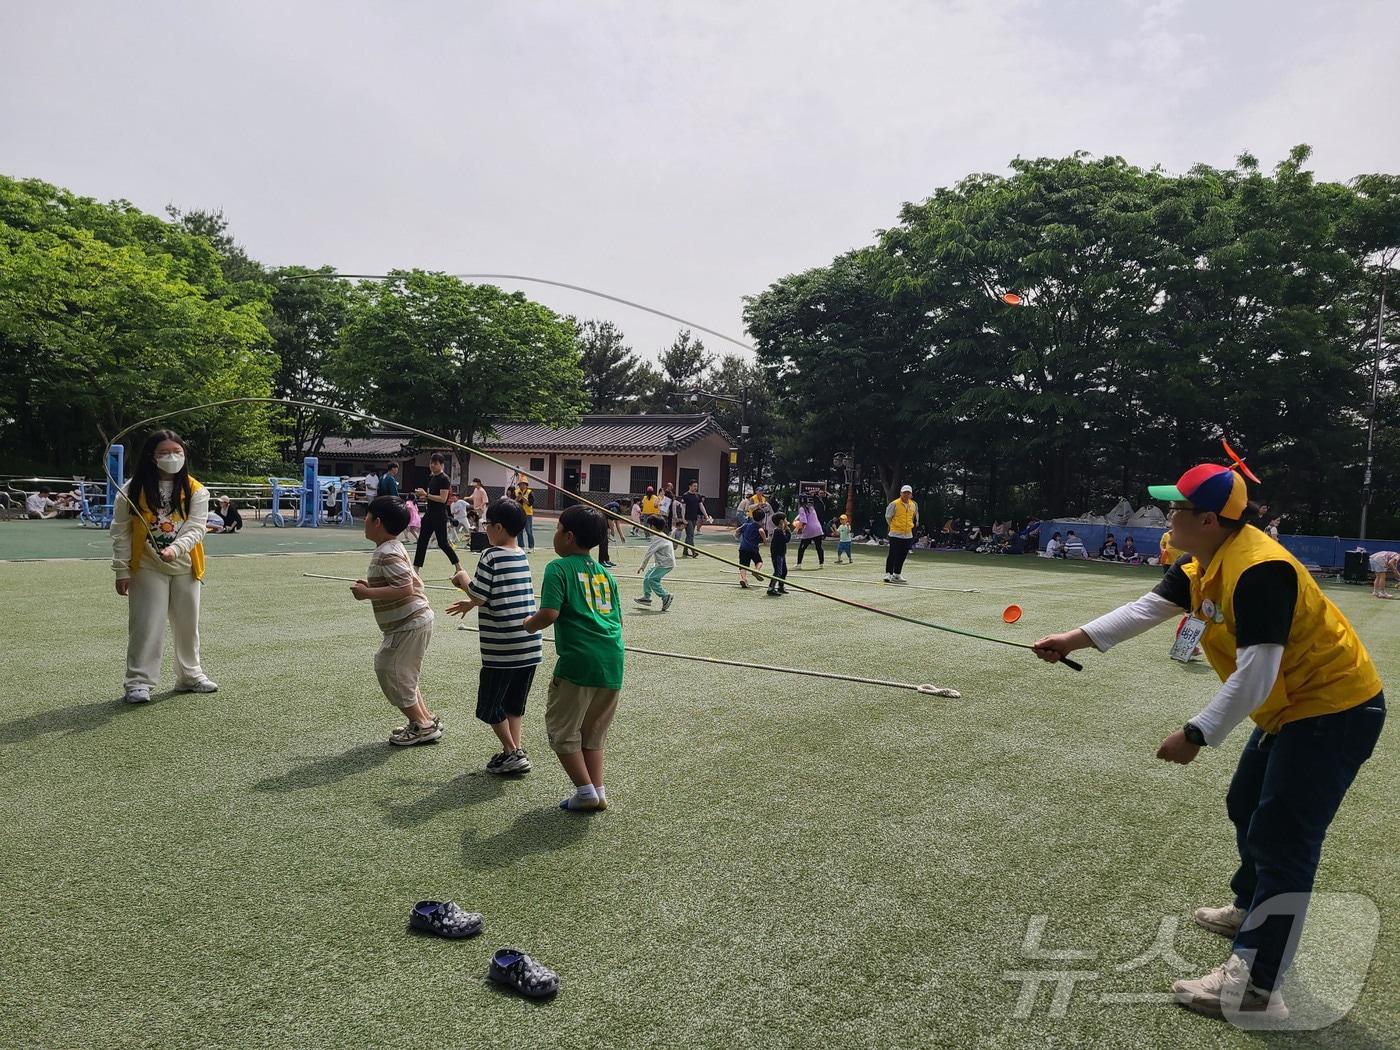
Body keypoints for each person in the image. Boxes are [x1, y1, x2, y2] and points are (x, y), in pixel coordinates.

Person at [1031, 462, 1385, 1023]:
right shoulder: (1204, 561)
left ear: (1208, 518)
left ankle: (1258, 989)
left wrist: (1197, 732)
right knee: (1245, 805)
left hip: (1334, 712)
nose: (1168, 517)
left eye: (1175, 508)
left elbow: (1258, 672)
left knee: (1285, 840)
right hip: (1293, 712)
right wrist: (1073, 638)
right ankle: (1250, 909)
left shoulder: (1260, 570)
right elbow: (1148, 608)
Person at [521, 505, 624, 812]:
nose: (555, 536)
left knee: (562, 730)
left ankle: (585, 790)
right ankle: (598, 790)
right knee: (593, 731)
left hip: (578, 662)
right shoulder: (606, 575)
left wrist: (528, 623)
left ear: (568, 536)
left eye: (557, 530)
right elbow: (616, 619)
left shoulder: (558, 568)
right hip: (612, 661)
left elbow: (549, 613)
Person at [111, 429, 218, 703]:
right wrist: (122, 569)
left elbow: (196, 528)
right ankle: (138, 682)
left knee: (187, 623)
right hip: (146, 566)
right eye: (164, 453)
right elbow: (121, 531)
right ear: (151, 457)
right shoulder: (131, 489)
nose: (172, 457)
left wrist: (175, 548)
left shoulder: (196, 489)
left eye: (177, 452)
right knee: (146, 624)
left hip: (186, 566)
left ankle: (189, 675)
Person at [446, 497, 541, 774]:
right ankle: (514, 751)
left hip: (503, 647)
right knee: (514, 703)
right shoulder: (520, 554)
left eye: (486, 524)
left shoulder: (490, 555)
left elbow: (479, 592)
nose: (484, 528)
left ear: (498, 527)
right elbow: (497, 594)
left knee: (489, 706)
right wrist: (472, 602)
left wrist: (462, 578)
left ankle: (512, 752)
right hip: (529, 645)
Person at [351, 495, 441, 746]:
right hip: (412, 622)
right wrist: (372, 586)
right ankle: (424, 720)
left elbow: (405, 589)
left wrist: (368, 593)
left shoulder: (387, 553)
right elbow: (406, 583)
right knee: (404, 673)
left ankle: (422, 726)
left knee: (389, 669)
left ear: (377, 522)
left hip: (409, 623)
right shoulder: (393, 548)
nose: (364, 521)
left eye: (366, 516)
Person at [412, 453, 462, 576]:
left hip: (439, 515)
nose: (432, 465)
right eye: (431, 463)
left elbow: (443, 499)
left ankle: (458, 567)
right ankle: (415, 570)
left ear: (441, 464)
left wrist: (426, 495)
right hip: (429, 514)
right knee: (422, 541)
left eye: (435, 463)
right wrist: (423, 496)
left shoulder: (444, 479)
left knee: (442, 543)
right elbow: (431, 497)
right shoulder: (432, 478)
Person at [635, 515, 676, 612]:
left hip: (665, 564)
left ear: (653, 527)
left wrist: (642, 565)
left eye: (649, 525)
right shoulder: (661, 535)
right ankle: (646, 597)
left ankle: (665, 596)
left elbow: (649, 552)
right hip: (662, 562)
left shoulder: (658, 537)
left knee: (652, 579)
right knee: (647, 577)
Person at [883, 484, 918, 583]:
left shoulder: (913, 505)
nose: (906, 494)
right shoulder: (894, 504)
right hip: (896, 533)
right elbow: (888, 517)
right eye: (904, 492)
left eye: (908, 493)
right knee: (893, 554)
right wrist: (893, 526)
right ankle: (888, 573)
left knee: (903, 554)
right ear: (901, 493)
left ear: (911, 494)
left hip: (908, 534)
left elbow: (912, 517)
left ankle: (897, 574)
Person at [734, 506, 767, 589]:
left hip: (743, 548)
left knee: (743, 565)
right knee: (759, 562)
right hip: (753, 549)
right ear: (762, 519)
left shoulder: (746, 525)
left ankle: (743, 579)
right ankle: (756, 571)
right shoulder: (760, 528)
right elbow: (762, 535)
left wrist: (737, 535)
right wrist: (765, 541)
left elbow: (737, 530)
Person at [679, 480, 710, 557]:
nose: (695, 487)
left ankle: (685, 551)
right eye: (694, 486)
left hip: (694, 518)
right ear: (690, 486)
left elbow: (701, 506)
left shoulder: (698, 496)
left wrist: (706, 515)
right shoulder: (685, 495)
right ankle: (694, 552)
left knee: (689, 535)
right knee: (690, 535)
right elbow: (683, 507)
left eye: (696, 486)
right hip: (687, 518)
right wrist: (683, 518)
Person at [795, 496, 825, 568]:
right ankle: (821, 563)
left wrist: (798, 529)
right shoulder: (811, 508)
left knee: (802, 548)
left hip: (809, 530)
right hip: (818, 529)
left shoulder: (802, 508)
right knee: (819, 547)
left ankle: (799, 564)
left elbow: (804, 521)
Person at [766, 511, 792, 596]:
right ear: (781, 521)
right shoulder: (777, 531)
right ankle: (771, 588)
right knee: (778, 572)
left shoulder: (780, 530)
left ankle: (780, 586)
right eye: (785, 519)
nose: (786, 521)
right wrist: (789, 531)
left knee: (784, 571)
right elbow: (786, 540)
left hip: (781, 554)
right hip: (777, 555)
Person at [598, 498, 625, 568]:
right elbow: (610, 519)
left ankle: (606, 560)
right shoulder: (615, 508)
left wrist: (621, 535)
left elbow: (617, 522)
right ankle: (601, 561)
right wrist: (612, 530)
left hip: (604, 523)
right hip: (600, 522)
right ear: (624, 506)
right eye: (627, 509)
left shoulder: (618, 508)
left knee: (606, 542)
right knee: (603, 543)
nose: (626, 510)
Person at [513, 478, 536, 550]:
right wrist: (518, 498)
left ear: (526, 485)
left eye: (523, 484)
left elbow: (530, 503)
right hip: (519, 513)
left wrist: (523, 498)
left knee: (529, 531)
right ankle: (521, 546)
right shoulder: (516, 492)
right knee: (519, 531)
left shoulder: (530, 492)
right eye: (520, 484)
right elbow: (512, 502)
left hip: (528, 513)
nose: (521, 486)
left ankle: (531, 547)